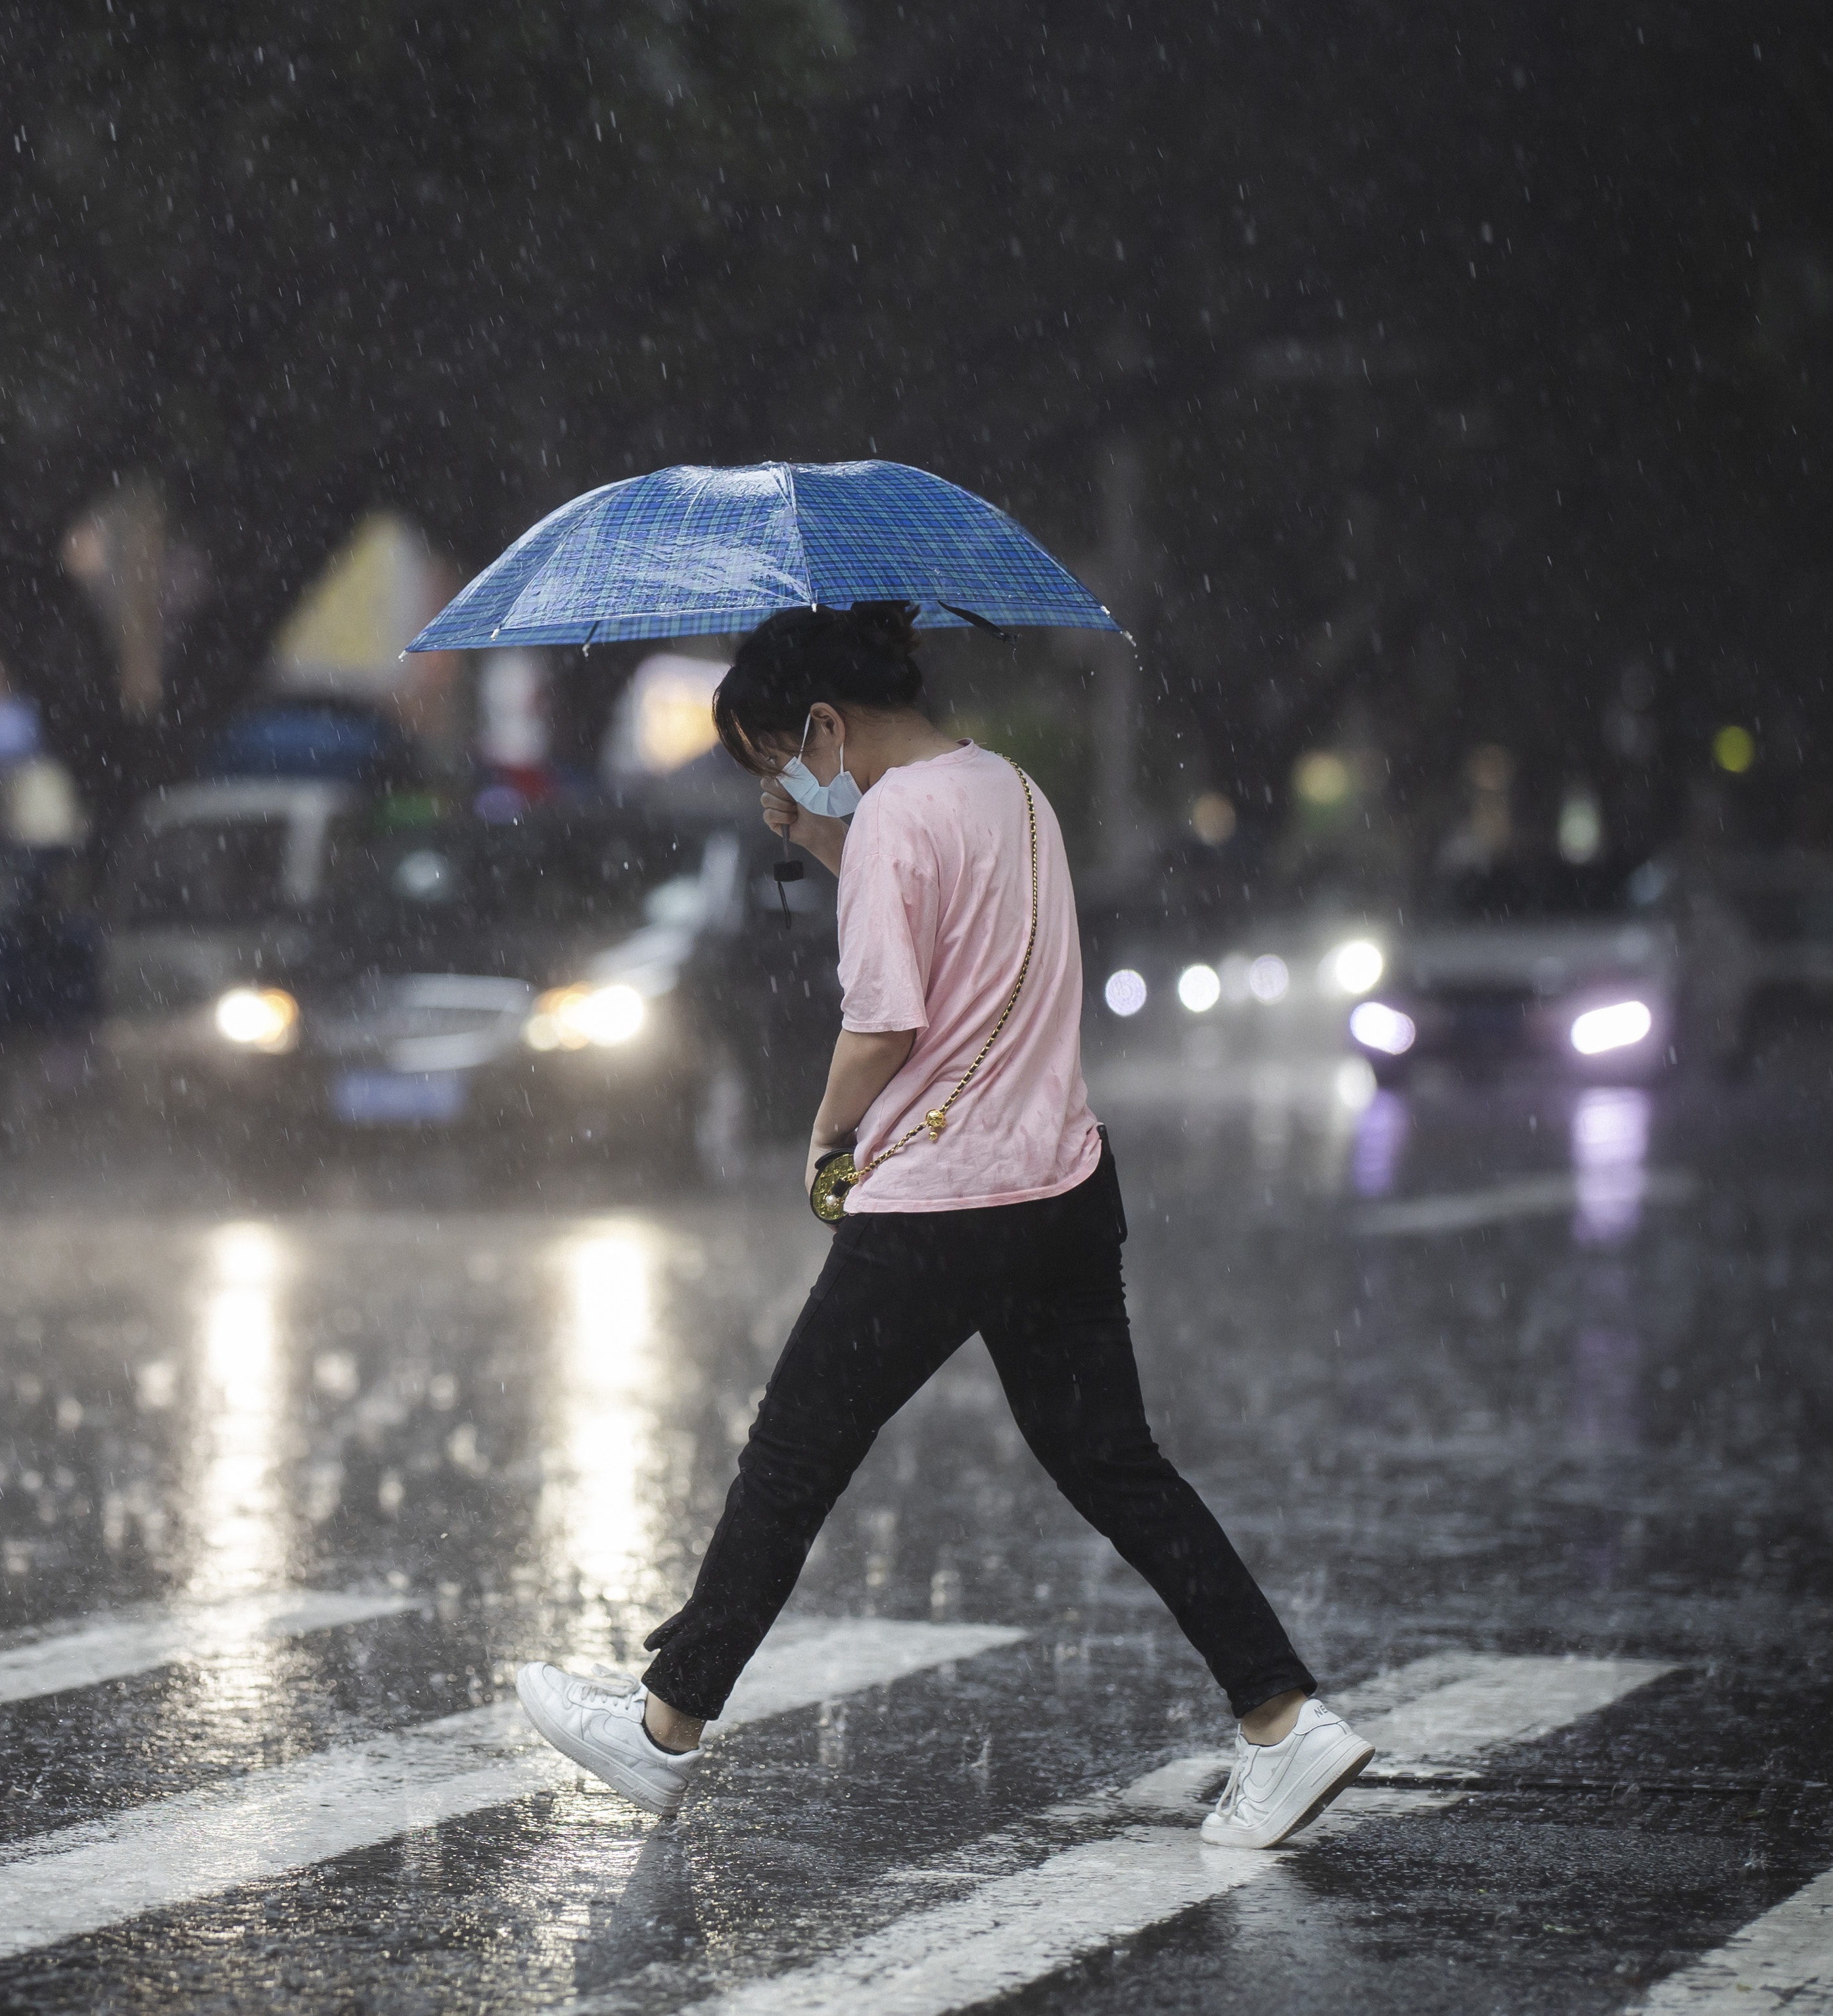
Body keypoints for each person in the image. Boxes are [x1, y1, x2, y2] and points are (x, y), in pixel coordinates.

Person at [515, 601, 1370, 1849]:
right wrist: (815, 833)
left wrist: (823, 1138)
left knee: (792, 1456)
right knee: (1117, 1466)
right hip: (1061, 1187)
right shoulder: (1011, 792)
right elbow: (953, 939)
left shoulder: (899, 821)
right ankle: (1286, 1720)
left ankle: (660, 1728)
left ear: (824, 721)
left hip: (938, 1201)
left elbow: (885, 1024)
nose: (783, 782)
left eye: (777, 759)